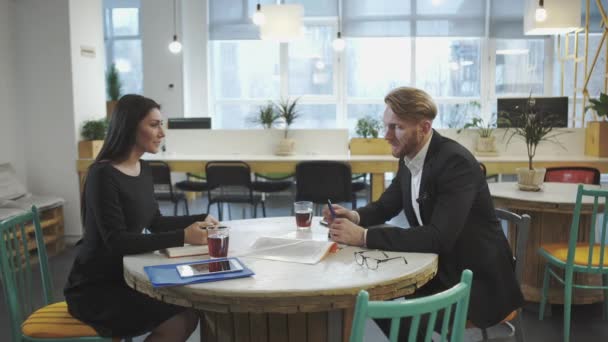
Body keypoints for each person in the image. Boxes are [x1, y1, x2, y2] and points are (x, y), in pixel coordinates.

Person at [324, 87, 523, 338]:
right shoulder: (410, 156)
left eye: (396, 127)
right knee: (376, 299)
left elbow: (438, 237)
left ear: (424, 127)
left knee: (396, 316)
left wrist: (363, 237)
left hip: (476, 281)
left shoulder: (455, 163)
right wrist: (354, 217)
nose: (387, 135)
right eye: (386, 126)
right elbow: (387, 205)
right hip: (440, 268)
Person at [65, 94, 219, 341]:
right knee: (181, 317)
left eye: (162, 124)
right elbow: (117, 241)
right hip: (96, 287)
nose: (162, 133)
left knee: (190, 311)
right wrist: (183, 236)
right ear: (130, 126)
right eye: (154, 124)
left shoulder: (144, 169)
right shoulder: (102, 175)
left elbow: (155, 222)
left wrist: (202, 217)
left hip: (127, 276)